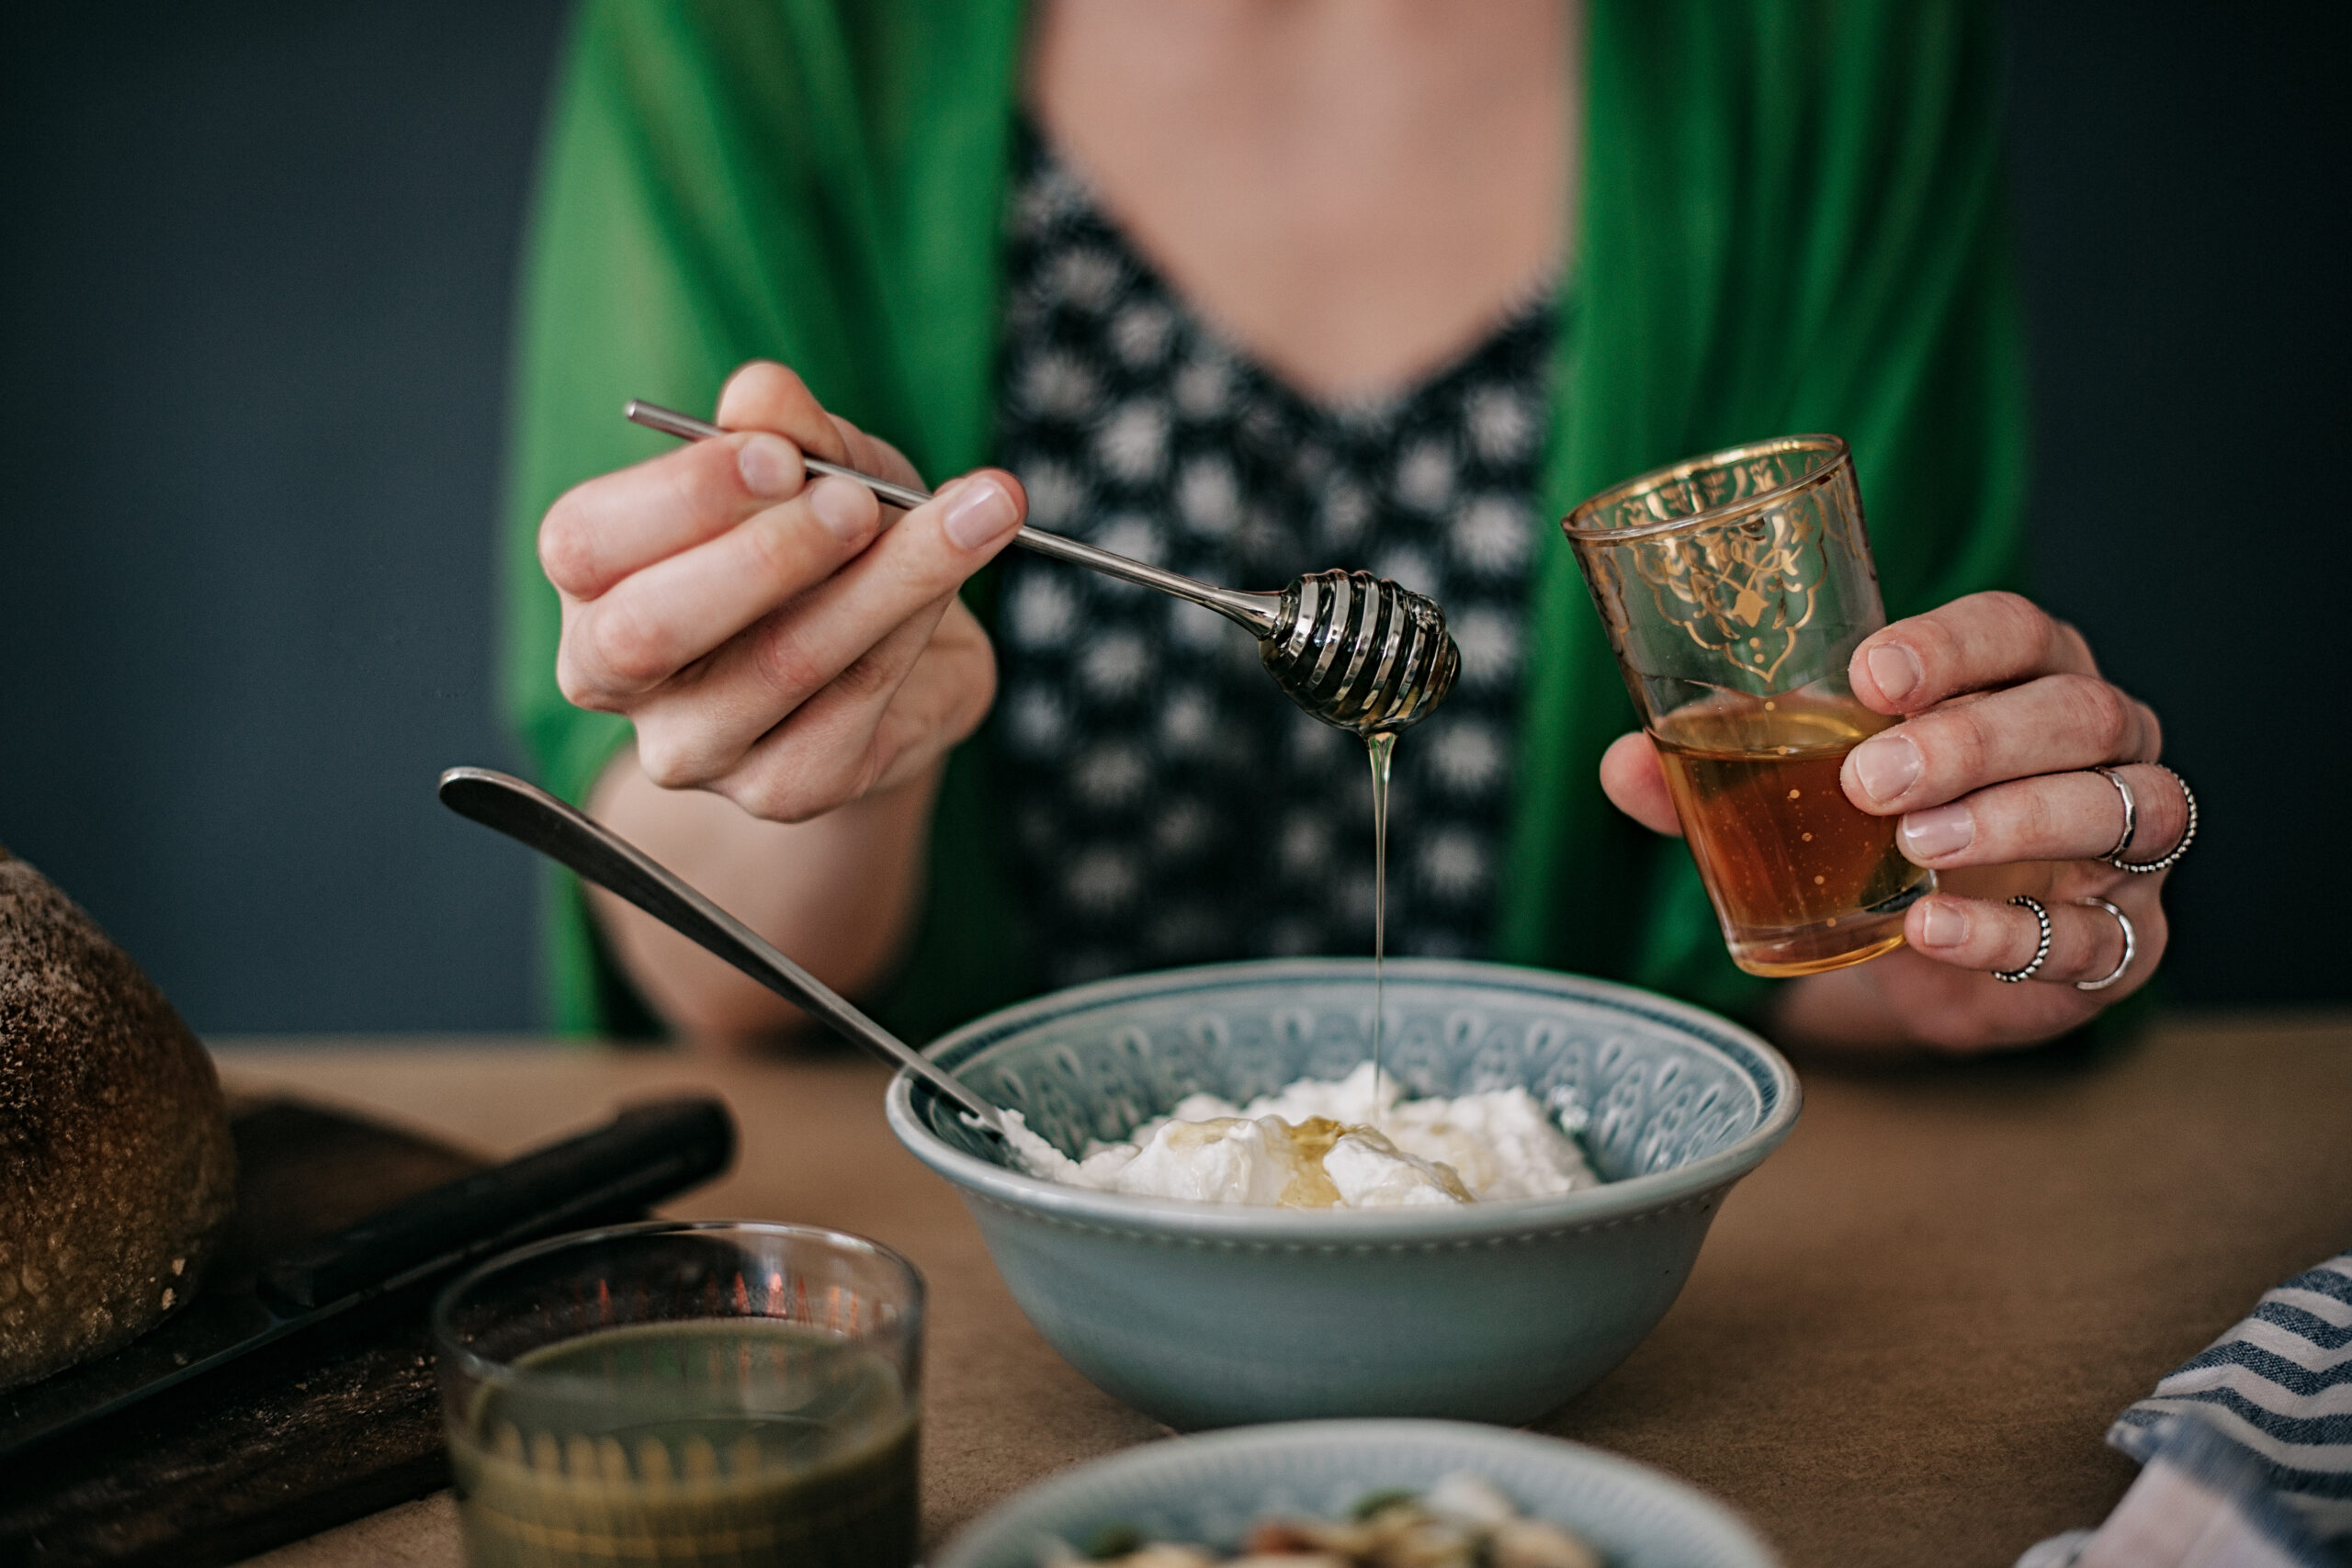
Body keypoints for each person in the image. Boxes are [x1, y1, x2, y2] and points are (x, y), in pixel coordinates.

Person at [503, 0, 2191, 1055]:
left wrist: (1962, 901)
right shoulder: (752, 32)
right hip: (967, 1289)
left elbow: (1824, 916)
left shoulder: (1834, 41)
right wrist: (828, 716)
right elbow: (723, 965)